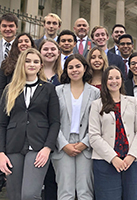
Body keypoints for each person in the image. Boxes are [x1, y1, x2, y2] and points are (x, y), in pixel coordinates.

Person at [0, 48, 60, 200]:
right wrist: (1, 153)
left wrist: (47, 148)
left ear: (41, 65)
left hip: (38, 147)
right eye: (28, 61)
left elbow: (55, 122)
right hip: (13, 147)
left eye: (35, 61)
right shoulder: (10, 89)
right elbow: (2, 124)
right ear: (22, 64)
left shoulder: (48, 89)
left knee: (29, 195)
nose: (31, 64)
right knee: (14, 195)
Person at [89, 66, 137, 200]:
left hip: (131, 161)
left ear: (122, 80)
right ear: (104, 81)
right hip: (105, 162)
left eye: (117, 78)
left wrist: (131, 156)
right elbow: (94, 136)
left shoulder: (132, 102)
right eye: (110, 78)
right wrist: (113, 158)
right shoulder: (97, 105)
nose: (114, 81)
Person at [52, 54, 100, 200]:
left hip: (86, 144)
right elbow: (53, 120)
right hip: (63, 143)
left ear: (85, 68)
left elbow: (97, 122)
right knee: (65, 191)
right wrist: (63, 144)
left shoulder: (95, 92)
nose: (74, 70)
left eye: (78, 66)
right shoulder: (57, 91)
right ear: (66, 71)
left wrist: (85, 143)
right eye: (70, 67)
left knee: (85, 191)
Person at [39, 38, 62, 200]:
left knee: (53, 180)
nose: (49, 52)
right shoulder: (33, 75)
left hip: (58, 132)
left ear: (58, 53)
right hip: (37, 131)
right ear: (40, 52)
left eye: (53, 49)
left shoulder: (64, 77)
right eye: (45, 49)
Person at [0, 33, 35, 97]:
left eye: (26, 41)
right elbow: (1, 88)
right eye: (20, 42)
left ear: (31, 45)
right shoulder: (6, 64)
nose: (23, 43)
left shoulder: (37, 63)